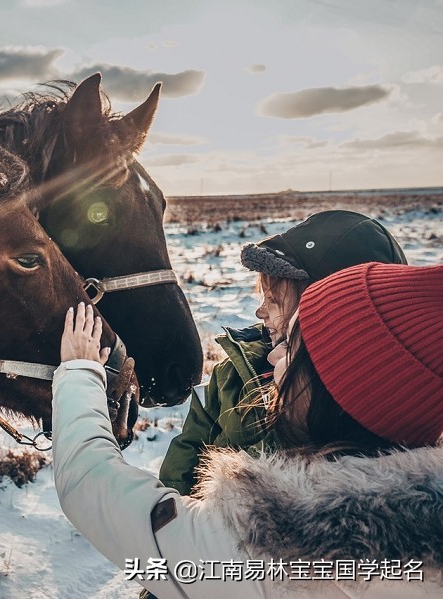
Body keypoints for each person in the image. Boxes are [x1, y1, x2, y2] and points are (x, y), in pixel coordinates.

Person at [52, 262, 443, 598]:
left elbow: (90, 485)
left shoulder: (268, 550)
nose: (271, 353)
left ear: (340, 391)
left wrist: (80, 370)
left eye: (291, 347)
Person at [159, 210, 407, 495]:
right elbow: (179, 477)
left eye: (274, 300)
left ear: (329, 307)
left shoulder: (384, 401)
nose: (259, 311)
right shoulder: (234, 373)